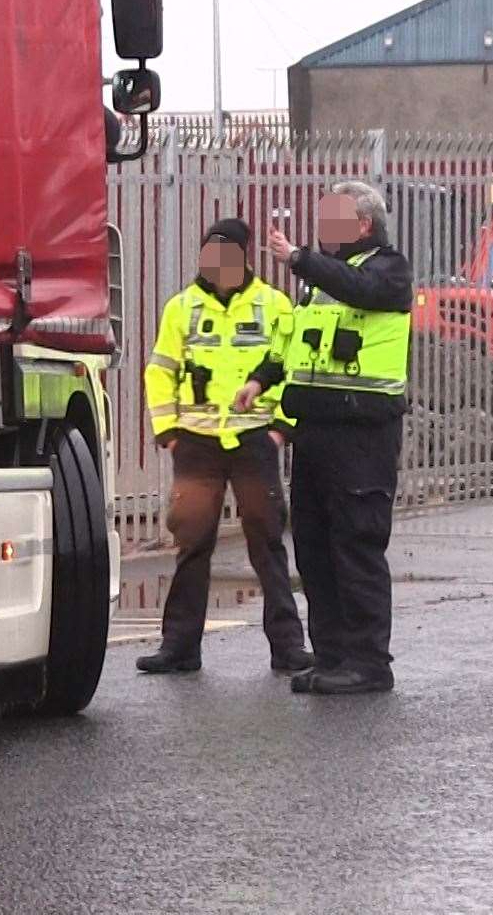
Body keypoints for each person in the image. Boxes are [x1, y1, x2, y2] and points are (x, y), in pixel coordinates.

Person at [236, 182, 412, 696]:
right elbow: (292, 341)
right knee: (314, 550)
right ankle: (333, 655)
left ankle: (369, 662)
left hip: (362, 437)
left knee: (356, 549)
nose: (324, 226)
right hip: (315, 435)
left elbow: (360, 290)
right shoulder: (320, 283)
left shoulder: (388, 270)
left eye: (335, 218)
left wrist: (297, 257)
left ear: (364, 224)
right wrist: (259, 380)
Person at [137, 218, 316, 676]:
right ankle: (179, 647)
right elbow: (160, 371)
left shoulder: (274, 306)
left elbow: (292, 371)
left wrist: (280, 429)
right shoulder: (182, 308)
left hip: (254, 440)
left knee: (267, 543)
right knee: (192, 545)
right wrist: (169, 433)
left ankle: (287, 648)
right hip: (196, 444)